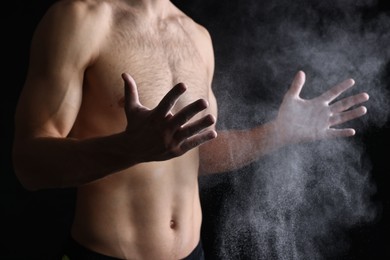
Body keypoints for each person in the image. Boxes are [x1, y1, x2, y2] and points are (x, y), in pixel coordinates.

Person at [12, 0, 370, 259]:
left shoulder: (197, 36)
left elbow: (196, 154)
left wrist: (276, 134)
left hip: (193, 253)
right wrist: (130, 149)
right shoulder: (80, 19)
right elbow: (28, 165)